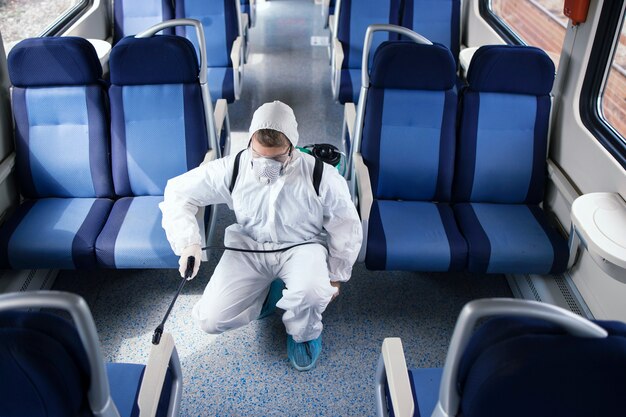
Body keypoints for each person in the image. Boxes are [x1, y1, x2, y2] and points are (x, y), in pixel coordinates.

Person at [159, 101, 362, 371]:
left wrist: (336, 276)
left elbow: (345, 224)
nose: (266, 165)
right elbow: (177, 192)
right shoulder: (232, 168)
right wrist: (189, 243)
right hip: (249, 246)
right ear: (250, 142)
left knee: (314, 293)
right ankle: (267, 296)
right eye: (259, 155)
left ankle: (304, 334)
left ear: (292, 146)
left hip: (302, 246)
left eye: (276, 158)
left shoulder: (319, 175)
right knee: (210, 319)